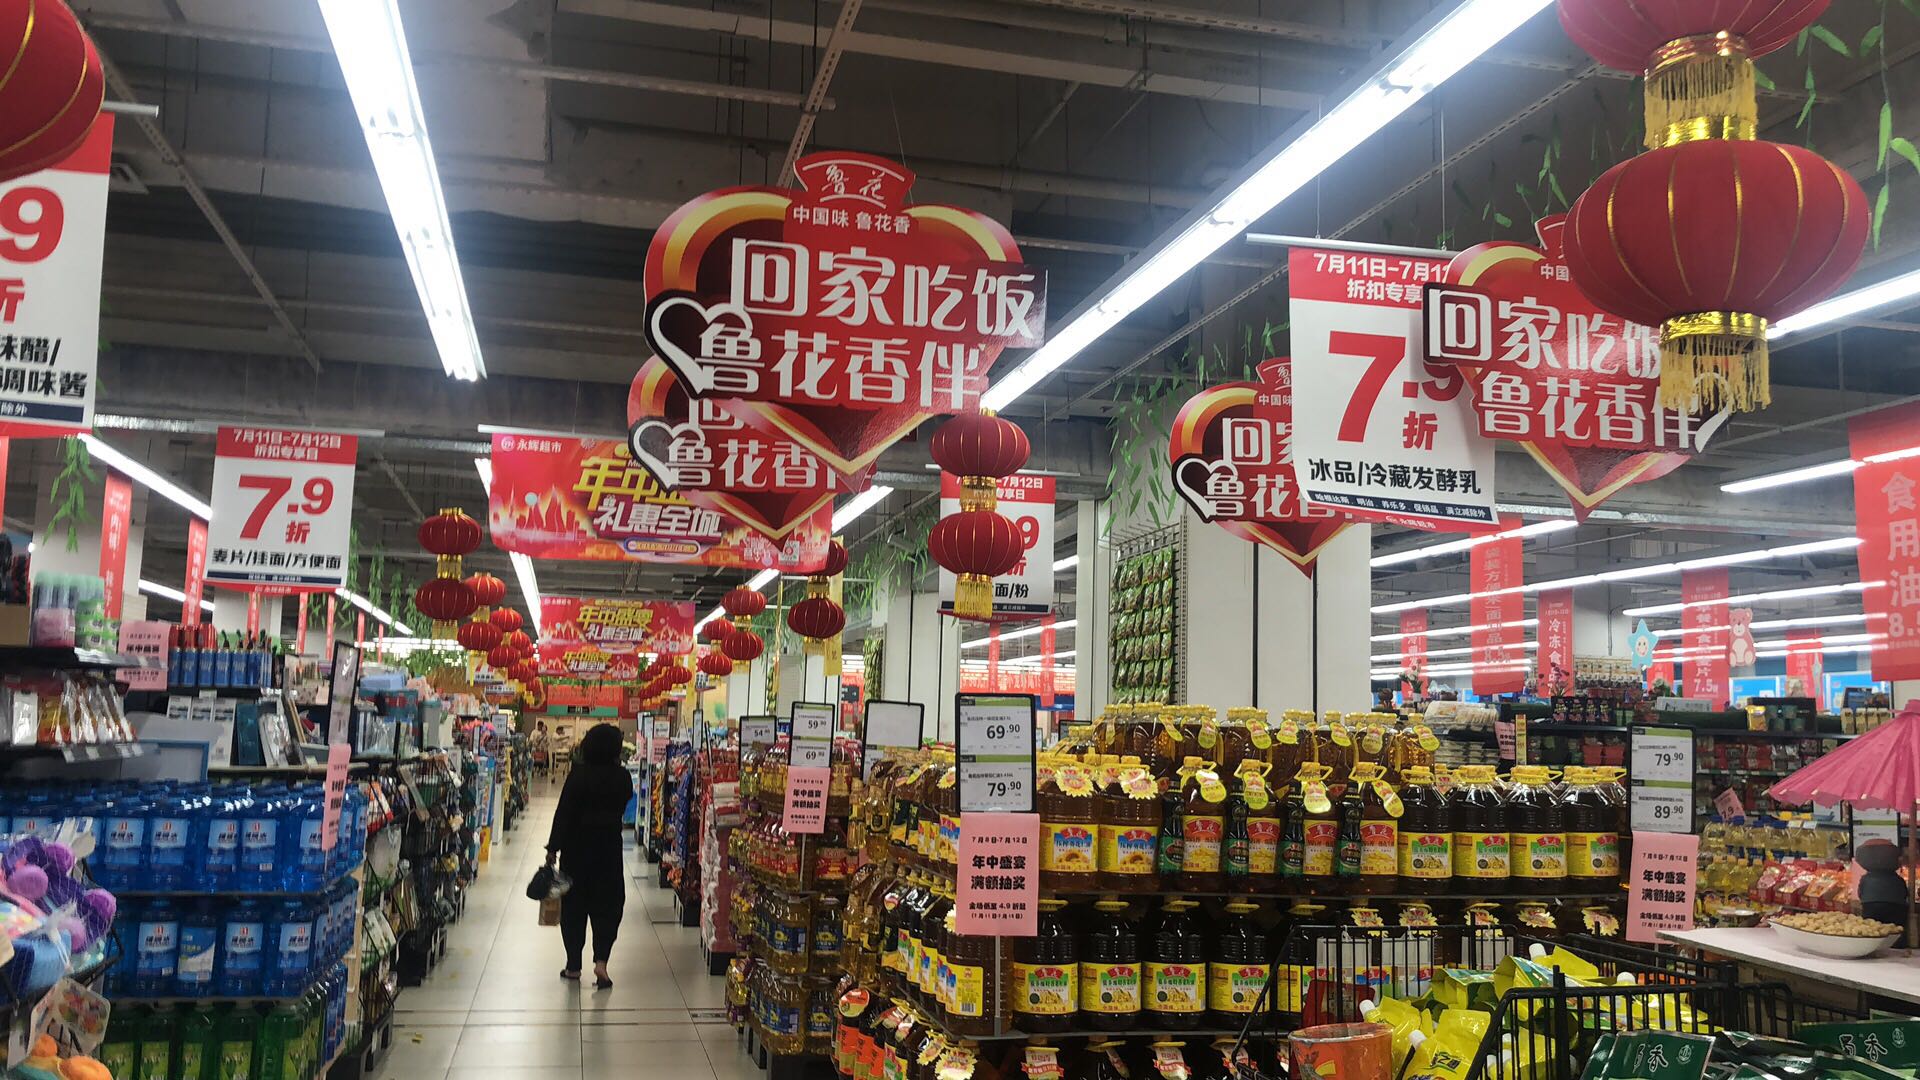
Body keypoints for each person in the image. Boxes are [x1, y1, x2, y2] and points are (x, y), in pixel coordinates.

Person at [545, 723, 631, 987]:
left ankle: (573, 965)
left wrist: (553, 848)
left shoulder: (578, 776)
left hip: (576, 851)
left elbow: (563, 813)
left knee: (573, 907)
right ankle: (601, 962)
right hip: (608, 850)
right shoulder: (622, 777)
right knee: (608, 905)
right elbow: (624, 802)